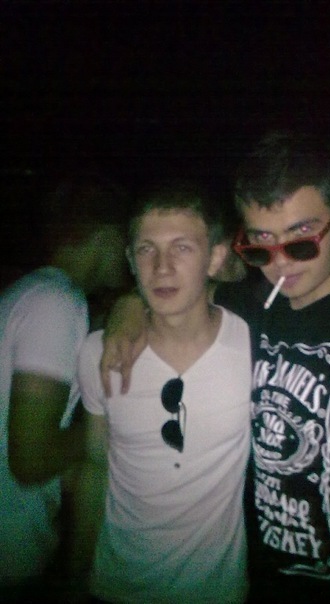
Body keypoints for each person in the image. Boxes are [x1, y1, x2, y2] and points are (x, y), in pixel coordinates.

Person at [101, 132, 330, 603]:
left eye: (301, 241)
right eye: (262, 243)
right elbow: (172, 293)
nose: (281, 262)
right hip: (267, 586)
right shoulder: (254, 305)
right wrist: (127, 310)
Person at [71, 180, 252, 603]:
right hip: (115, 586)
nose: (162, 267)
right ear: (130, 262)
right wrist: (75, 575)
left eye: (182, 248)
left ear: (215, 257)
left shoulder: (252, 344)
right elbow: (96, 469)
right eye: (146, 249)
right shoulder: (98, 352)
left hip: (217, 592)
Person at [0, 169, 129, 602]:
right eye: (128, 242)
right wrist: (110, 428)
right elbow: (31, 458)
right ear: (107, 236)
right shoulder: (56, 302)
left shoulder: (30, 293)